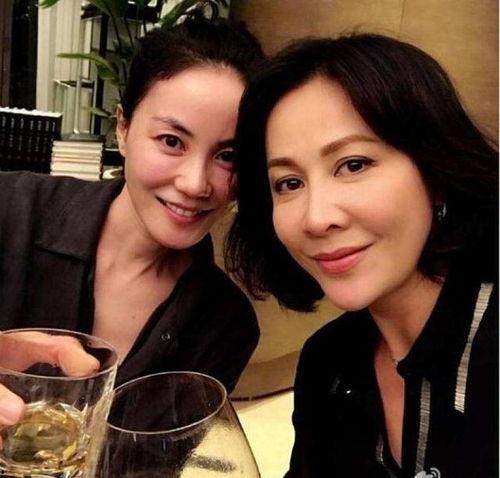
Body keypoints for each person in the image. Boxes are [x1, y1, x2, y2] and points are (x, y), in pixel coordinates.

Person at [226, 34, 498, 477]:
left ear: (435, 171)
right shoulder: (326, 363)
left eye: (353, 164)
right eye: (289, 183)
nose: (316, 218)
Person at [0, 18, 264, 425]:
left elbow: (162, 454)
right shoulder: (11, 209)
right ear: (122, 129)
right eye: (171, 141)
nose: (195, 183)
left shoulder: (226, 325)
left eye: (227, 156)